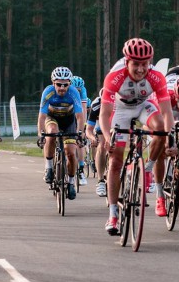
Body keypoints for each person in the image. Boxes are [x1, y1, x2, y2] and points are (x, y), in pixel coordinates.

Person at [99, 38, 173, 235]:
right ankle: (113, 214)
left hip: (143, 106)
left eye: (145, 64)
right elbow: (104, 114)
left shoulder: (156, 76)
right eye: (136, 64)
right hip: (120, 110)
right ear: (127, 61)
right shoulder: (115, 76)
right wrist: (108, 137)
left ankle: (147, 168)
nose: (141, 69)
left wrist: (170, 136)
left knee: (160, 130)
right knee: (116, 160)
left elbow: (167, 113)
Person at [37, 67, 85, 201]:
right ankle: (49, 168)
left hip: (69, 121)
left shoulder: (73, 92)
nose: (62, 88)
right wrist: (41, 134)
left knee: (70, 152)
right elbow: (41, 117)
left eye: (65, 84)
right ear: (53, 83)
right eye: (59, 84)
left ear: (70, 84)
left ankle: (70, 182)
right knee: (51, 133)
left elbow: (80, 117)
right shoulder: (48, 92)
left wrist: (80, 133)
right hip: (52, 119)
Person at [85, 91, 107, 197]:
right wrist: (93, 138)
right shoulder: (96, 105)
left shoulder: (120, 102)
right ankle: (101, 180)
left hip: (115, 123)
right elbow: (89, 130)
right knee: (101, 145)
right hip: (100, 126)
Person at [71, 75, 89, 187]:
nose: (77, 91)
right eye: (75, 89)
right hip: (67, 113)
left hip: (78, 114)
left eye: (79, 89)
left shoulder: (83, 90)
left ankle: (81, 170)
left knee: (80, 143)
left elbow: (84, 109)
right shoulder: (68, 90)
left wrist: (83, 126)